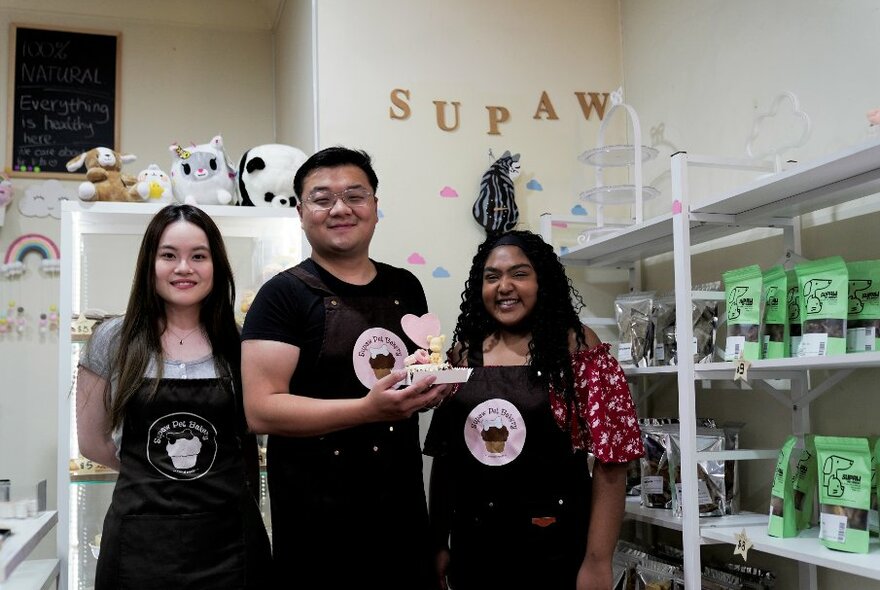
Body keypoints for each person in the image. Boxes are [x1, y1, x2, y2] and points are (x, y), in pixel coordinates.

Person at [241, 146, 449, 589]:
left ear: (375, 206)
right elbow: (261, 410)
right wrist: (367, 410)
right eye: (322, 198)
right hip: (317, 519)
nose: (340, 208)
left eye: (355, 195)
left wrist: (428, 385)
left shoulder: (405, 286)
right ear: (300, 212)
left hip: (401, 506)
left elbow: (405, 376)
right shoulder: (281, 296)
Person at [424, 230, 644, 590]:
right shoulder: (464, 352)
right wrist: (438, 542)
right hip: (475, 547)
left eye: (520, 274)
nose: (504, 286)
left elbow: (612, 462)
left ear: (543, 281)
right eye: (492, 277)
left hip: (556, 545)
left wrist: (598, 561)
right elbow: (446, 458)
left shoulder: (578, 345)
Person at [76, 204, 272, 589]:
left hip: (229, 544)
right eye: (169, 255)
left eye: (198, 256)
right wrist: (155, 471)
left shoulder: (241, 344)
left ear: (216, 266)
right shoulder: (112, 340)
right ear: (150, 264)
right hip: (139, 544)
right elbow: (91, 443)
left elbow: (262, 431)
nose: (184, 268)